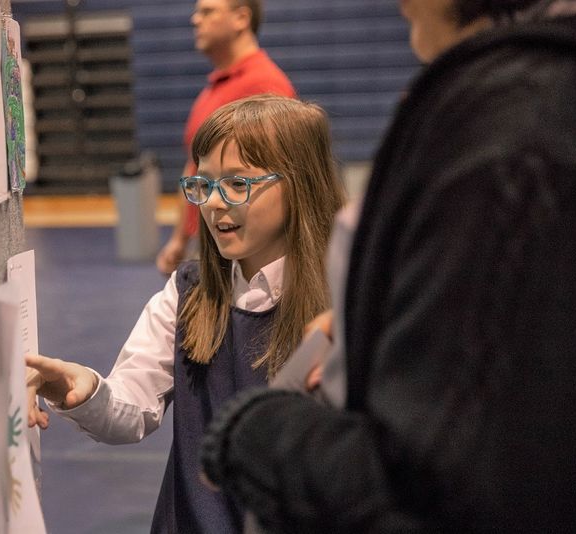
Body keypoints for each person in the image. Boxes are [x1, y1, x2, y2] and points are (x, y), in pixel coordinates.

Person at [200, 1, 576, 532]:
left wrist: (254, 433)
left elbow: (444, 484)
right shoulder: (518, 101)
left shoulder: (515, 134)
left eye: (238, 182)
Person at [26, 95, 346, 533]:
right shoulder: (187, 292)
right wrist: (79, 388)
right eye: (204, 185)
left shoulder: (344, 308)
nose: (213, 203)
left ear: (300, 186)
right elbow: (133, 406)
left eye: (238, 184)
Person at [155, 0, 296, 276]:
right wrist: (181, 237)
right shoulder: (216, 86)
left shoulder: (265, 86)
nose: (196, 20)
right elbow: (195, 167)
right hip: (212, 239)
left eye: (207, 12)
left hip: (240, 252)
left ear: (241, 18)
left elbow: (280, 183)